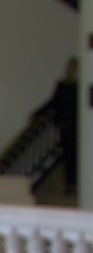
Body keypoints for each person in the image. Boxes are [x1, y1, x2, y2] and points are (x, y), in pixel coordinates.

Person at [33, 57, 79, 194]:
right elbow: (53, 102)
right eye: (69, 67)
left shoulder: (79, 87)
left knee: (73, 155)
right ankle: (69, 184)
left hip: (75, 126)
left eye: (73, 67)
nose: (69, 70)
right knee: (67, 154)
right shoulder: (61, 85)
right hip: (64, 125)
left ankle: (72, 183)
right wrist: (37, 113)